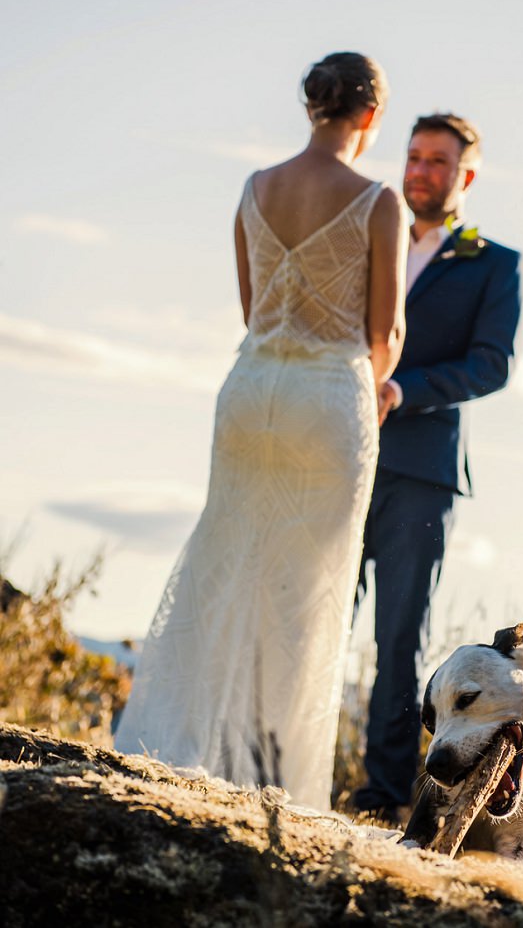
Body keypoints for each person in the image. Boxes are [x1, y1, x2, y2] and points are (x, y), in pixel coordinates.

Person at [115, 52, 405, 808]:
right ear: (369, 117)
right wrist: (377, 386)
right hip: (328, 399)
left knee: (227, 560)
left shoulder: (255, 188)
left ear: (311, 106)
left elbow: (251, 310)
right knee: (305, 589)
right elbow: (387, 331)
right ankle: (270, 779)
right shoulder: (379, 202)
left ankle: (177, 743)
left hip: (248, 391)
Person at [349, 112, 522, 822]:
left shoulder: (494, 263)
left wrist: (404, 391)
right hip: (337, 452)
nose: (419, 171)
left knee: (398, 637)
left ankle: (382, 795)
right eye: (412, 157)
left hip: (421, 469)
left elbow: (492, 365)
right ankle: (277, 760)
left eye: (436, 162)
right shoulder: (366, 238)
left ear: (465, 176)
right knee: (311, 618)